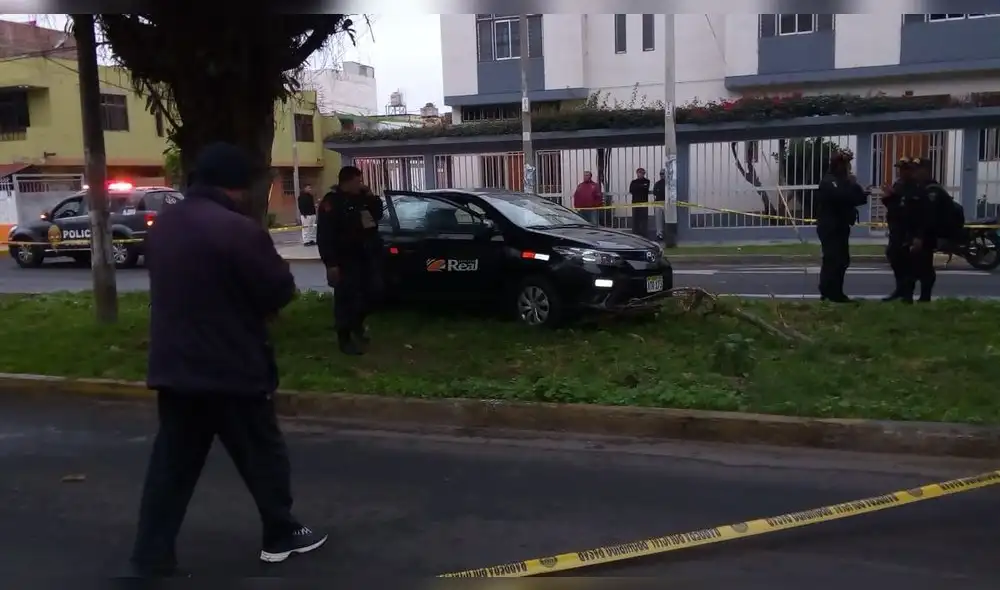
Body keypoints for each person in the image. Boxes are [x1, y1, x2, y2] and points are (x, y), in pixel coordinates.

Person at [129, 142, 326, 578]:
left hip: (176, 368)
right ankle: (280, 533)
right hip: (233, 367)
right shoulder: (237, 229)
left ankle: (150, 556)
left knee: (172, 468)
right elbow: (277, 289)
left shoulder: (162, 227)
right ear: (237, 187)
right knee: (262, 455)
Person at [316, 166, 385, 355]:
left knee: (374, 293)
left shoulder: (361, 199)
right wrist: (330, 263)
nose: (360, 184)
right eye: (357, 180)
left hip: (366, 255)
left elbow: (378, 214)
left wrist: (371, 196)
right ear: (347, 181)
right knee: (346, 299)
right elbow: (325, 235)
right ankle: (344, 338)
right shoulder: (331, 203)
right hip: (344, 259)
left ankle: (358, 323)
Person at [814, 150, 868, 302]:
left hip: (841, 226)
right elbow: (842, 197)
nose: (848, 168)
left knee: (842, 260)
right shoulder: (829, 181)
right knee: (833, 259)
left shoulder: (844, 182)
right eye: (845, 164)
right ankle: (828, 292)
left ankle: (836, 292)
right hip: (830, 227)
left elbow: (859, 198)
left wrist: (854, 186)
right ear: (838, 165)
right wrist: (850, 185)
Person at [904, 157, 944, 302]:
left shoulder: (931, 190)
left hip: (924, 237)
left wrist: (919, 237)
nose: (914, 172)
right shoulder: (917, 187)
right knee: (912, 267)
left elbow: (927, 216)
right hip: (914, 235)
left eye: (917, 169)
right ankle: (909, 298)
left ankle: (924, 298)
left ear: (925, 170)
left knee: (923, 268)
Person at [879, 157, 917, 301]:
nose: (901, 172)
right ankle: (900, 289)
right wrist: (888, 197)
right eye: (900, 169)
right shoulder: (899, 184)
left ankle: (907, 294)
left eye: (904, 169)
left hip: (908, 229)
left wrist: (895, 196)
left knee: (907, 262)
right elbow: (893, 204)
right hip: (896, 228)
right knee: (894, 256)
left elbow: (911, 207)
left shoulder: (914, 186)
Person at [629, 168, 651, 238]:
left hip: (644, 203)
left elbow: (646, 189)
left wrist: (638, 188)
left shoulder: (647, 181)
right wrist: (641, 187)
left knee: (644, 220)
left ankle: (644, 235)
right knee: (635, 219)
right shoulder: (633, 182)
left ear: (644, 174)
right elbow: (631, 190)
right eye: (639, 172)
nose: (640, 174)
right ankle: (635, 235)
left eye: (642, 173)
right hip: (635, 203)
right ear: (637, 173)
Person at [652, 169, 666, 241]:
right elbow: (654, 192)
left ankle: (667, 233)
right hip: (658, 202)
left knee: (667, 219)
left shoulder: (668, 183)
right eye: (661, 174)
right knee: (658, 219)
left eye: (663, 174)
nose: (662, 175)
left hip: (666, 202)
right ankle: (659, 234)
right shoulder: (657, 183)